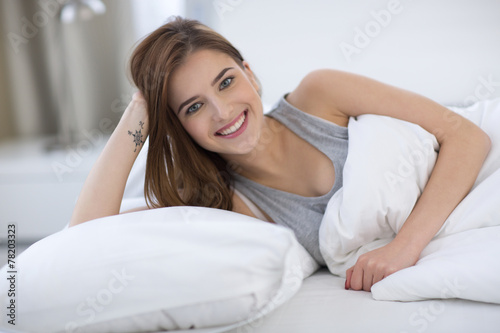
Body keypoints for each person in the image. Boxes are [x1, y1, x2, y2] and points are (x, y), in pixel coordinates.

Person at [69, 16, 491, 292]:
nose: (223, 112)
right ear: (178, 125)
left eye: (226, 82)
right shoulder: (228, 202)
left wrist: (404, 248)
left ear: (249, 72)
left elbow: (466, 136)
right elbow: (86, 233)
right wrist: (140, 110)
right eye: (193, 107)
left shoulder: (320, 95)